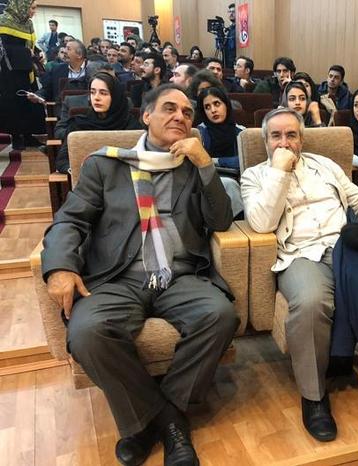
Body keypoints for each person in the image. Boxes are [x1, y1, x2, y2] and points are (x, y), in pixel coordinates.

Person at [41, 83, 239, 466]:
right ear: (147, 115)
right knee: (86, 333)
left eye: (187, 113)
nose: (180, 117)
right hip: (119, 276)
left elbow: (220, 220)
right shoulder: (106, 164)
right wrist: (61, 265)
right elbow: (71, 219)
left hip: (180, 275)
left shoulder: (192, 165)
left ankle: (150, 416)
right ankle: (167, 421)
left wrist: (205, 165)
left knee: (221, 316)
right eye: (169, 109)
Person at [241, 107, 358, 441]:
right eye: (276, 136)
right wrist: (279, 172)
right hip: (299, 255)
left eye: (291, 135)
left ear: (301, 138)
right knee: (310, 303)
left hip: (345, 248)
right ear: (265, 141)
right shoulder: (255, 176)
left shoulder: (325, 165)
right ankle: (314, 396)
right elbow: (261, 223)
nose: (284, 142)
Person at [55, 72, 142, 173]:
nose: (96, 98)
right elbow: (62, 160)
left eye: (103, 93)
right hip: (87, 178)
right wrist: (75, 171)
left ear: (115, 96)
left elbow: (140, 159)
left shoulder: (131, 125)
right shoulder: (79, 124)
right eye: (92, 92)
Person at [0, 0, 45, 149]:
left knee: (28, 101)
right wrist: (27, 53)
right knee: (13, 103)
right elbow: (4, 48)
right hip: (10, 71)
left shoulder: (28, 23)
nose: (34, 11)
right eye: (32, 8)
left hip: (26, 69)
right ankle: (16, 136)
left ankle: (28, 135)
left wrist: (38, 53)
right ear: (22, 6)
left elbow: (29, 45)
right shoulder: (4, 20)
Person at [195, 86, 244, 218]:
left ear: (226, 105)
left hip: (239, 177)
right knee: (229, 185)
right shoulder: (199, 133)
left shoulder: (241, 132)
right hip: (208, 180)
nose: (213, 110)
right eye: (207, 107)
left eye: (217, 104)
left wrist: (213, 161)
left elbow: (242, 161)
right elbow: (197, 164)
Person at [223, 3, 236, 68]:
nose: (231, 13)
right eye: (229, 11)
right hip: (227, 61)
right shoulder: (229, 29)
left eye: (233, 12)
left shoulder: (239, 29)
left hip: (235, 62)